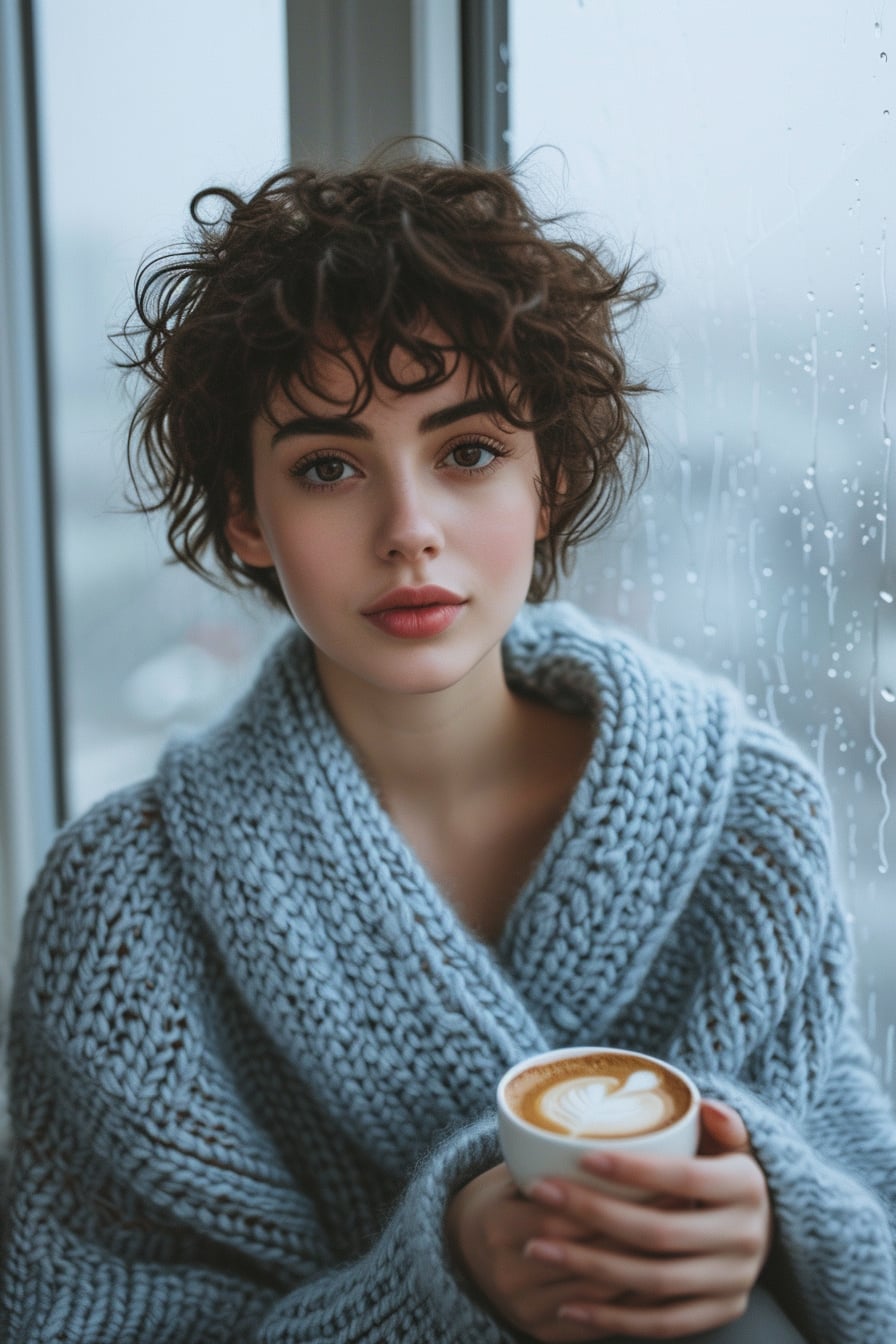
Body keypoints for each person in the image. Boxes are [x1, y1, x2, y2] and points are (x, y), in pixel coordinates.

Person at [1, 147, 894, 1344]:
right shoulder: (119, 906)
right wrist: (446, 1275)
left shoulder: (746, 818)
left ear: (551, 474)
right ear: (245, 517)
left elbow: (863, 1211)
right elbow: (83, 1317)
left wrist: (769, 1213)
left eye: (467, 451)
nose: (407, 531)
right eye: (327, 468)